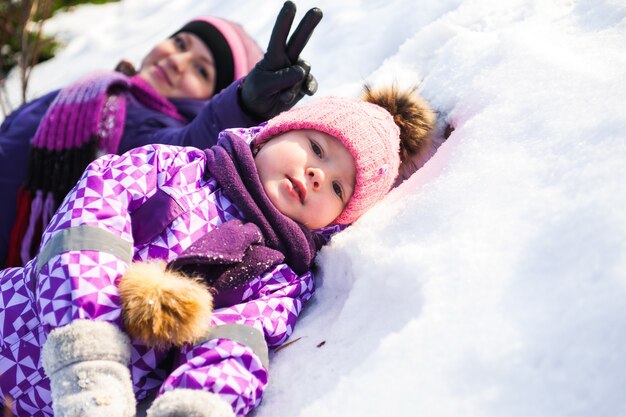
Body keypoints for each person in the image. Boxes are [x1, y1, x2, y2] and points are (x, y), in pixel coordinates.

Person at [0, 83, 435, 417]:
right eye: (317, 148)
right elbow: (83, 234)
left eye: (339, 187)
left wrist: (192, 407)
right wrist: (91, 356)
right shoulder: (172, 168)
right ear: (272, 133)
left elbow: (237, 348)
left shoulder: (281, 278)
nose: (317, 174)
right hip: (16, 325)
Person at [0, 1, 322, 268]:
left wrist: (244, 103)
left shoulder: (165, 133)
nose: (178, 61)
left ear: (211, 98)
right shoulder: (97, 90)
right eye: (180, 43)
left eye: (201, 70)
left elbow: (183, 145)